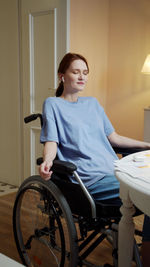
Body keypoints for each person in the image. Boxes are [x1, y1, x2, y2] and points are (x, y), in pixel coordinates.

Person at [39, 52, 150, 266]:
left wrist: (146, 144)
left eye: (85, 73)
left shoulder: (93, 103)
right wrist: (47, 161)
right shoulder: (53, 104)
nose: (82, 77)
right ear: (62, 76)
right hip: (91, 179)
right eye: (75, 72)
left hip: (115, 170)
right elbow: (51, 141)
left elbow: (114, 138)